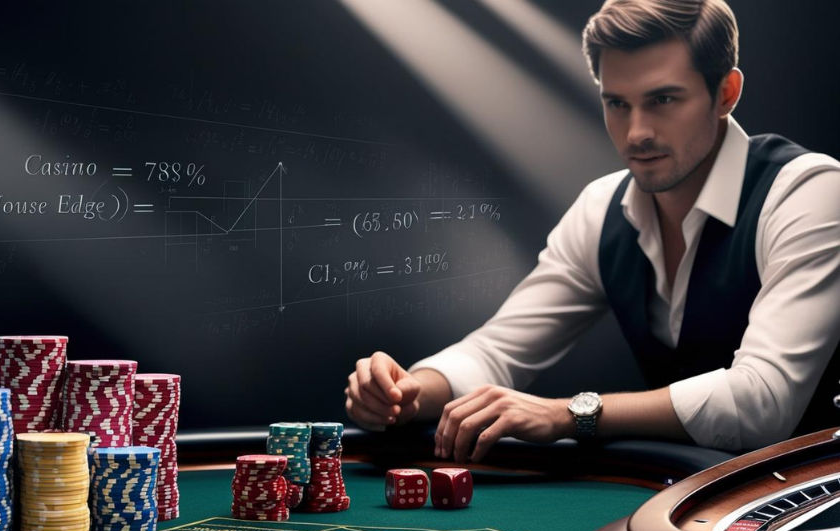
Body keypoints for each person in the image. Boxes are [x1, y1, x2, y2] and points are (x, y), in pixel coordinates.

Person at [344, 0, 840, 462]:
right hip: (689, 501)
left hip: (816, 510)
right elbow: (497, 350)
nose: (637, 132)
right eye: (617, 104)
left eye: (663, 99)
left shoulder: (810, 192)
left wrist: (567, 415)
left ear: (725, 94)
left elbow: (763, 402)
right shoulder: (601, 207)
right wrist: (407, 393)